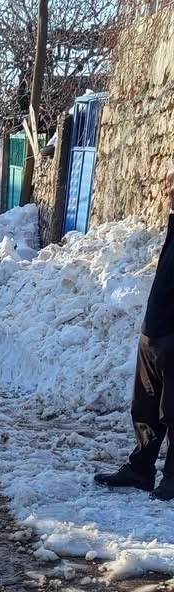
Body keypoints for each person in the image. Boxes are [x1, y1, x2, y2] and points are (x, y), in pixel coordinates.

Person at [94, 167, 174, 501]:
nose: (169, 189)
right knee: (143, 407)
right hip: (153, 330)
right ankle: (140, 469)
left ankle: (172, 478)